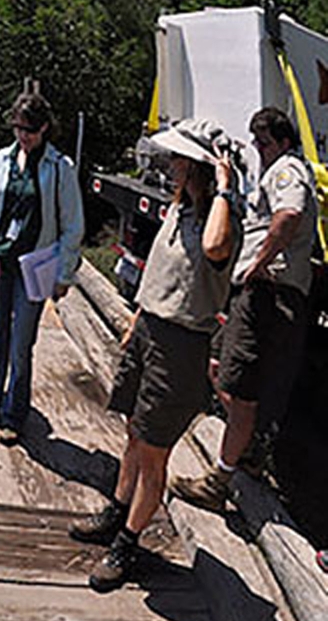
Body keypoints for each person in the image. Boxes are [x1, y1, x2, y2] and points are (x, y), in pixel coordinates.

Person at [67, 119, 241, 592]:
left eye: (181, 160)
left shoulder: (221, 219)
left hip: (180, 345)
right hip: (150, 331)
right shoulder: (180, 208)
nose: (172, 165)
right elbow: (163, 269)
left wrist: (224, 188)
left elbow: (214, 248)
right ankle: (118, 511)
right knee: (133, 433)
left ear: (201, 167)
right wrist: (137, 318)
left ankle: (128, 544)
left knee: (153, 452)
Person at [170, 107, 319, 511]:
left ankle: (220, 479)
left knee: (242, 388)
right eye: (256, 141)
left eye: (264, 142)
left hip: (267, 293)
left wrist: (259, 261)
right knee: (220, 366)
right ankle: (247, 446)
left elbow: (289, 214)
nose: (258, 148)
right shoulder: (273, 171)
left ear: (284, 142)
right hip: (255, 293)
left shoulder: (287, 169)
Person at [0, 92, 84, 444]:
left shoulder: (60, 168)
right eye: (18, 128)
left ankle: (14, 414)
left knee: (21, 342)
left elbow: (72, 225)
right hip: (0, 259)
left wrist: (64, 275)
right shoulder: (1, 160)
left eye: (29, 130)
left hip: (35, 265)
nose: (23, 136)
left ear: (44, 128)